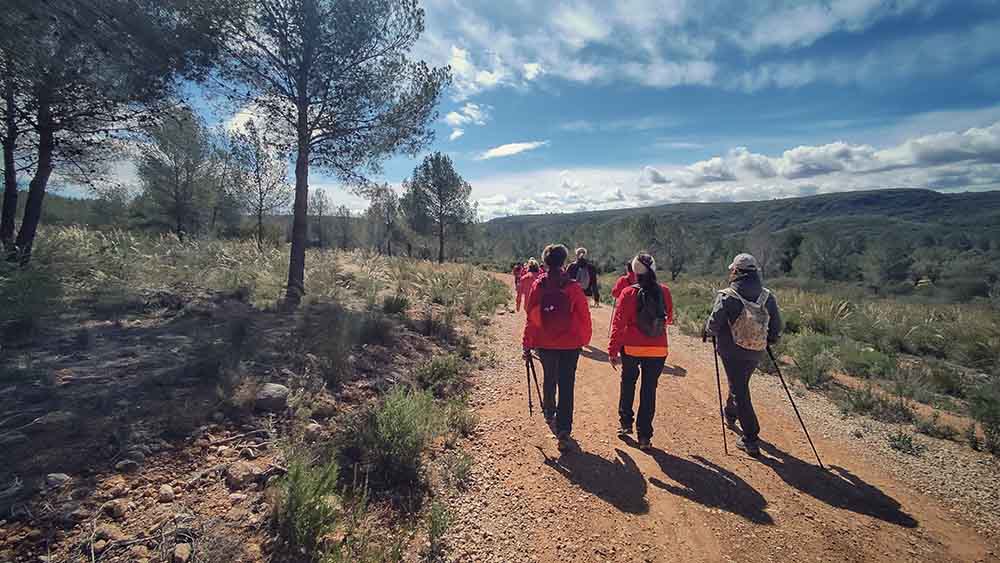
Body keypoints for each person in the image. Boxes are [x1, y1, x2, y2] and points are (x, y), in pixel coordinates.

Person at [704, 253, 782, 457]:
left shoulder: (727, 295)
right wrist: (770, 340)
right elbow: (776, 325)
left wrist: (709, 331)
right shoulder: (767, 295)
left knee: (739, 389)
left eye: (733, 270)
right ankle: (730, 414)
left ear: (737, 272)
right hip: (756, 349)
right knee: (739, 384)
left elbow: (714, 324)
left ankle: (750, 438)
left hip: (731, 350)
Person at [523, 244, 592, 451]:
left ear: (545, 261)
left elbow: (532, 317)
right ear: (563, 261)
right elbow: (584, 316)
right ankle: (564, 430)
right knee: (567, 384)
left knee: (549, 377)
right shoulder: (572, 287)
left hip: (545, 342)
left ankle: (549, 412)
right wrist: (584, 339)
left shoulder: (539, 285)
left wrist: (527, 343)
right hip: (570, 344)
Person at [608, 253, 674, 451]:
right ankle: (645, 436)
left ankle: (625, 423)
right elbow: (668, 318)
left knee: (628, 382)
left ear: (634, 271)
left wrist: (612, 350)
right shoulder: (665, 291)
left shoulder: (628, 292)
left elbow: (618, 325)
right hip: (658, 348)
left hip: (631, 347)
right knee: (649, 389)